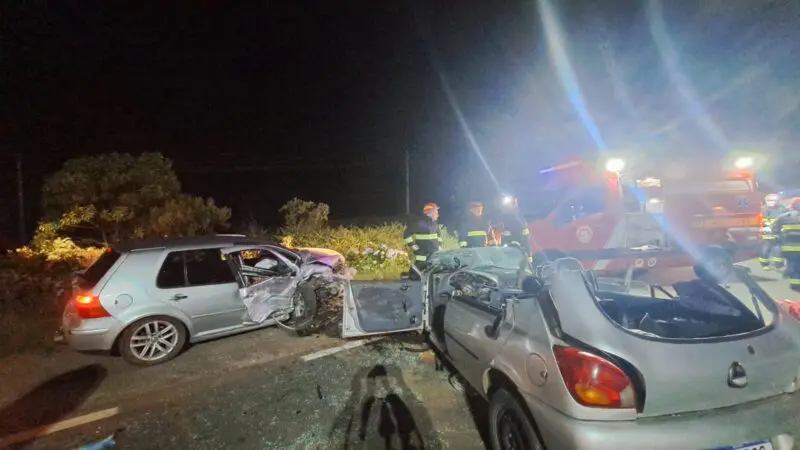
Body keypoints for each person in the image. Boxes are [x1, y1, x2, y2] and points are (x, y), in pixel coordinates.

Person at [403, 202, 441, 276]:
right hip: (422, 256)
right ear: (430, 212)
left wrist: (439, 245)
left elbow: (439, 236)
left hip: (433, 255)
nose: (438, 214)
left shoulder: (435, 224)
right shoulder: (420, 224)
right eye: (436, 212)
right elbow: (406, 233)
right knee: (416, 275)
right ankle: (410, 275)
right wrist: (412, 245)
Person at [772, 199, 800, 290]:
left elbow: (774, 228)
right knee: (797, 265)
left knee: (792, 263)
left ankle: (795, 283)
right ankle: (795, 281)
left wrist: (777, 236)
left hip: (788, 247)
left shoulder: (783, 217)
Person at [497, 196, 533, 264]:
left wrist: (529, 257)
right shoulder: (505, 217)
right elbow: (504, 235)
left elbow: (525, 237)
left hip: (519, 248)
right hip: (510, 248)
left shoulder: (518, 217)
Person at [759, 193, 786, 270]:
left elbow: (785, 219)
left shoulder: (782, 209)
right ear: (766, 201)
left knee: (778, 249)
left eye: (774, 200)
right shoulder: (762, 209)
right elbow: (759, 220)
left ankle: (778, 264)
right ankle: (764, 264)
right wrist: (763, 227)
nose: (772, 202)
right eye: (769, 200)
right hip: (766, 234)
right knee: (765, 249)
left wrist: (783, 228)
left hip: (778, 233)